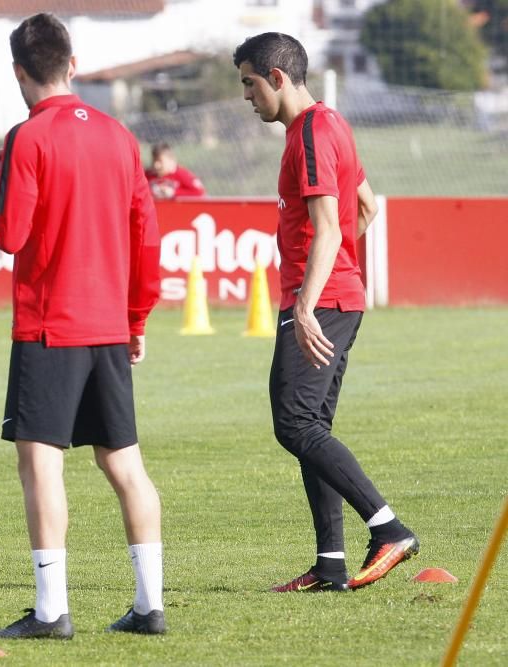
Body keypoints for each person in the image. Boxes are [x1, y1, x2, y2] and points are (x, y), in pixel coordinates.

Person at [0, 13, 164, 638]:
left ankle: (52, 610)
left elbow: (11, 233)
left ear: (18, 72)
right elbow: (147, 234)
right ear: (74, 64)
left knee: (42, 464)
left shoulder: (27, 139)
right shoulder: (119, 135)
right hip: (109, 324)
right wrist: (136, 317)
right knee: (126, 465)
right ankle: (149, 605)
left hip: (48, 328)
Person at [233, 32, 418, 592]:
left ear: (278, 77)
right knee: (311, 427)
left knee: (294, 424)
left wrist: (308, 302)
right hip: (342, 296)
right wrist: (337, 274)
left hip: (321, 301)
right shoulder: (330, 123)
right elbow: (367, 205)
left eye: (249, 83)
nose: (246, 96)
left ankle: (388, 529)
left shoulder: (310, 133)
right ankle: (331, 564)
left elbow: (332, 224)